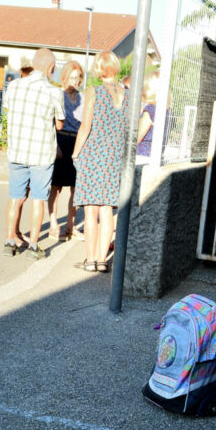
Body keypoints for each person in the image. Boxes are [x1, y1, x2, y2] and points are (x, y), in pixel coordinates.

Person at [1, 47, 64, 260]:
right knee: (38, 198)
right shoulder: (54, 91)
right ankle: (34, 246)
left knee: (16, 197)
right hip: (41, 154)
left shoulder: (14, 85)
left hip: (17, 151)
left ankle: (9, 241)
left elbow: (8, 110)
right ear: (51, 67)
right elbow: (60, 123)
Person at [73, 51, 129, 273]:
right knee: (107, 211)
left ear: (98, 69)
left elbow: (85, 126)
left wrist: (76, 153)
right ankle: (102, 259)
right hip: (114, 157)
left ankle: (90, 259)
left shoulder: (94, 92)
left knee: (90, 211)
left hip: (93, 155)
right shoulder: (127, 95)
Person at [47, 61, 84, 242]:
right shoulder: (58, 95)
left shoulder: (84, 98)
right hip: (60, 139)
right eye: (72, 77)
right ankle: (53, 224)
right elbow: (51, 122)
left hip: (77, 142)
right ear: (64, 78)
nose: (75, 81)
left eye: (78, 78)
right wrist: (56, 146)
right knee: (56, 187)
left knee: (76, 189)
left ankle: (71, 225)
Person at [136, 72, 158, 161]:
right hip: (153, 155)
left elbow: (137, 137)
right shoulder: (165, 109)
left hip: (141, 155)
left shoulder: (150, 109)